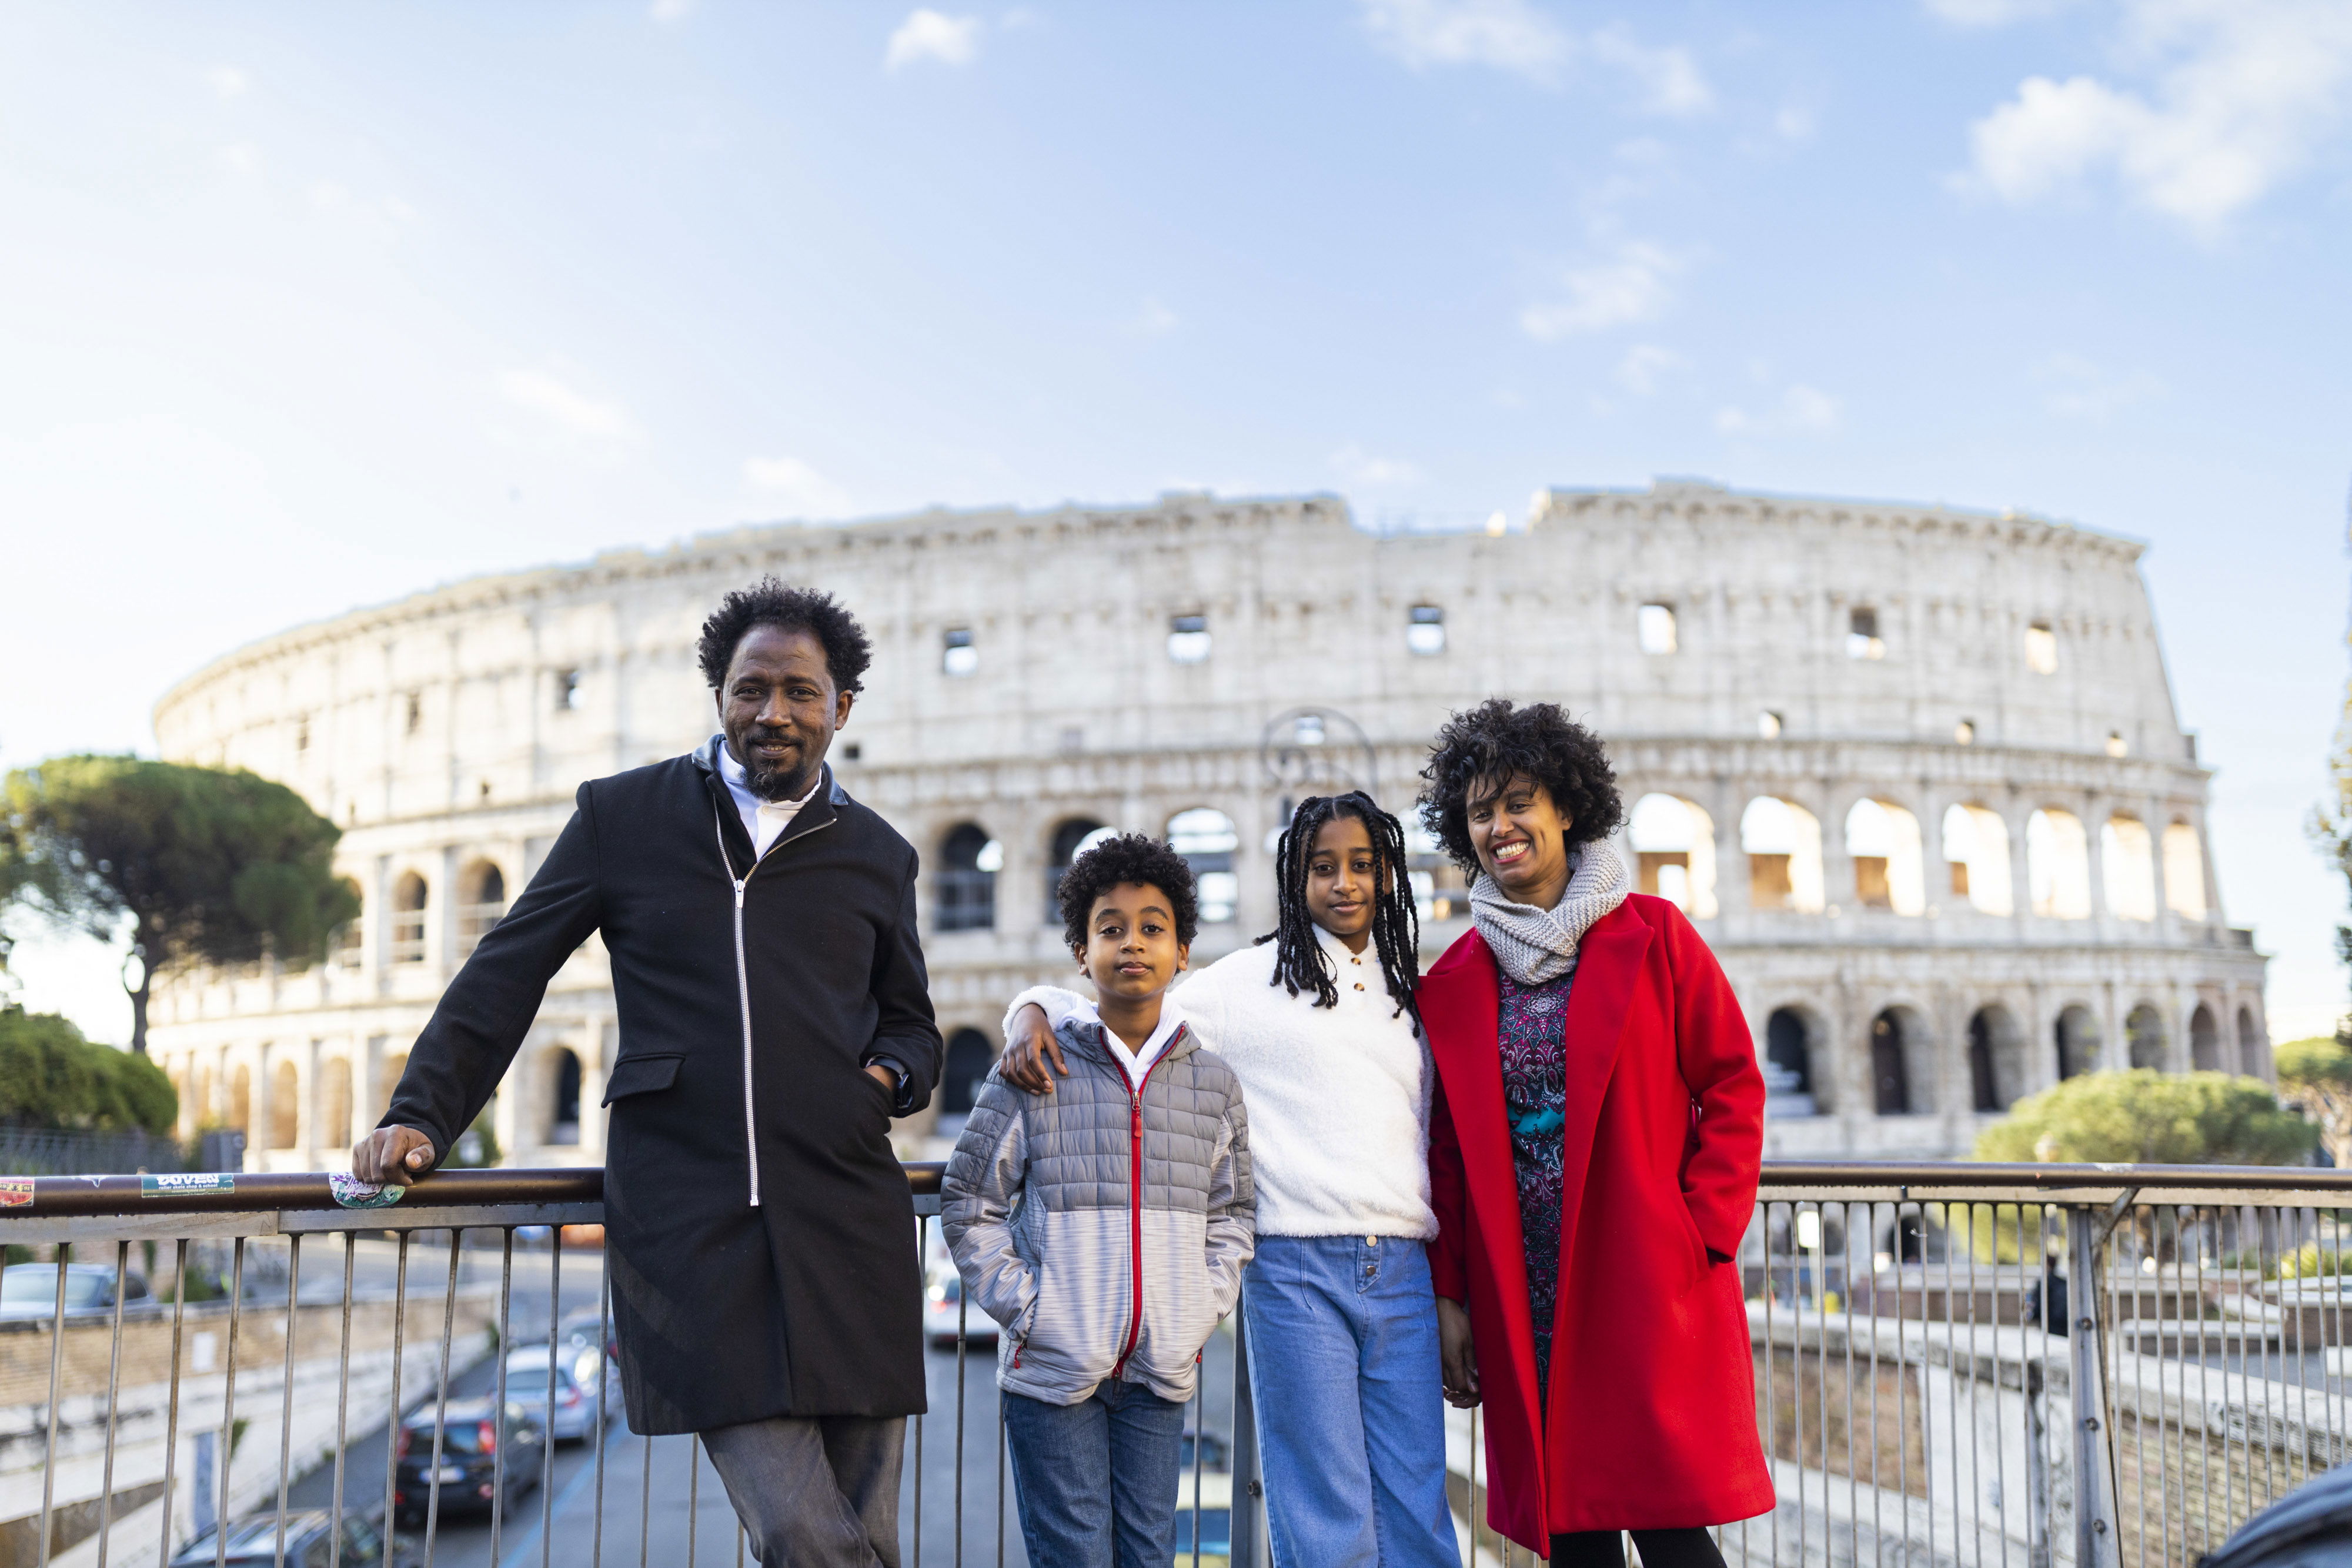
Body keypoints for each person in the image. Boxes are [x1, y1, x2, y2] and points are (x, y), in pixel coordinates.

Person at [353, 578, 941, 1568]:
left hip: (848, 1220)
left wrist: (879, 1082)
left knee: (867, 1535)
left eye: (801, 690)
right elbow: (511, 966)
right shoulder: (625, 817)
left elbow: (914, 1027)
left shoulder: (877, 854)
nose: (774, 711)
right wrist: (422, 1112)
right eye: (751, 686)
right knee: (803, 1531)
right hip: (692, 1223)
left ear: (842, 707)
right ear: (718, 693)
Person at [998, 792, 1459, 1568]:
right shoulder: (1249, 981)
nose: (1343, 882)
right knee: (1326, 1507)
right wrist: (1031, 1006)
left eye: (1361, 864)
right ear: (1294, 878)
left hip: (1406, 1270)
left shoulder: (1414, 990)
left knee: (1417, 1501)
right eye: (1322, 867)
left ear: (1388, 874)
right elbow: (1128, 1004)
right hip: (1295, 1267)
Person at [1414, 698, 1773, 1566]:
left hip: (1641, 1268)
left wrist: (1701, 1229)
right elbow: (1450, 1155)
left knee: (1670, 1523)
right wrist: (1452, 1297)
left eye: (1519, 801)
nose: (1500, 826)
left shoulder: (1655, 934)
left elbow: (1732, 1082)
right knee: (1573, 1532)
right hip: (1523, 1283)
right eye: (1479, 811)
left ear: (1566, 806)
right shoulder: (1456, 975)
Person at [941, 834, 1255, 1568]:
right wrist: (1032, 1312)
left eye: (1153, 928)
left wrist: (1196, 1307)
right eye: (1110, 928)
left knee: (1148, 1554)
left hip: (1160, 1371)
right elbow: (968, 1202)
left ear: (1183, 951)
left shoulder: (1213, 1084)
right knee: (1075, 1555)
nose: (1132, 944)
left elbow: (1234, 1212)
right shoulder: (1033, 1066)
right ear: (1081, 954)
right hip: (1052, 1372)